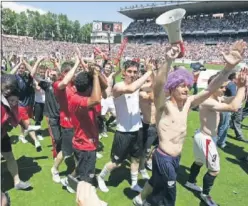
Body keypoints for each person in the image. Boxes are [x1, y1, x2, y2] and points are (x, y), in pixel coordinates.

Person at [133, 40, 247, 206]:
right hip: (164, 157)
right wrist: (168, 60)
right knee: (169, 196)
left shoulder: (188, 103)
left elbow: (209, 90)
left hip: (175, 157)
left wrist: (228, 68)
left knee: (155, 181)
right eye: (181, 86)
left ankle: (139, 199)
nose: (186, 89)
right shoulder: (163, 106)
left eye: (187, 85)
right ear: (171, 88)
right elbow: (158, 87)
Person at [185, 69, 247, 206]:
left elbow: (237, 100)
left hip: (204, 136)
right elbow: (233, 107)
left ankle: (190, 182)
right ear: (212, 87)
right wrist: (241, 88)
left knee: (199, 162)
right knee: (214, 170)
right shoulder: (207, 101)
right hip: (206, 138)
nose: (224, 89)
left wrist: (244, 86)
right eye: (221, 87)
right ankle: (205, 195)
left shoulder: (217, 98)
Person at [97, 60, 153, 193]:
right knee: (116, 162)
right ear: (123, 72)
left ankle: (134, 184)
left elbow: (153, 86)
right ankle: (101, 177)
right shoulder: (118, 87)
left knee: (136, 158)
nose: (132, 74)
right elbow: (131, 89)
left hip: (136, 129)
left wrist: (153, 73)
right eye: (129, 71)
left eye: (135, 72)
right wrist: (149, 71)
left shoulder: (137, 85)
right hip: (123, 132)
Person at [1, 74, 31, 190]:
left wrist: (26, 126)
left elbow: (15, 117)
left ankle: (17, 182)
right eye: (6, 88)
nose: (8, 91)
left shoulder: (9, 100)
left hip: (2, 134)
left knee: (9, 156)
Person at [10, 57, 43, 151]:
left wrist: (25, 62)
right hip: (20, 105)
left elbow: (33, 72)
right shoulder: (16, 77)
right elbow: (9, 74)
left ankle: (21, 135)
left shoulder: (27, 76)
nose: (21, 69)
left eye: (23, 67)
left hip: (29, 104)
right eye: (20, 67)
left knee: (24, 123)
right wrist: (18, 64)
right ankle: (36, 142)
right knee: (28, 123)